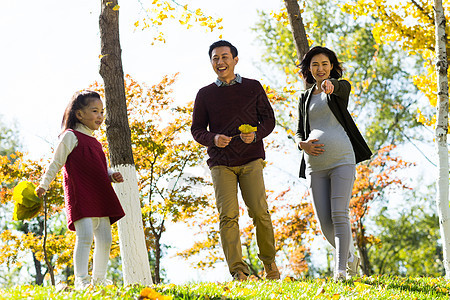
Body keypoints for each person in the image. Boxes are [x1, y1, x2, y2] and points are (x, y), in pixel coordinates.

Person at [191, 40, 280, 281]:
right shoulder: (205, 94)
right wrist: (214, 138)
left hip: (251, 159)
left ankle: (270, 265)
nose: (220, 62)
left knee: (260, 212)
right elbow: (197, 130)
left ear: (235, 60)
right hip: (221, 163)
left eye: (224, 57)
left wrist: (256, 135)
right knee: (228, 216)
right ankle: (239, 271)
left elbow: (269, 120)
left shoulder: (253, 87)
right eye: (215, 58)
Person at [296, 46, 372, 281]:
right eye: (315, 65)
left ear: (332, 67)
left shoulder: (340, 88)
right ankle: (349, 257)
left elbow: (340, 87)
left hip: (342, 159)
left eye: (325, 64)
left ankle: (340, 271)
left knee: (340, 213)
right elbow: (300, 131)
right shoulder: (304, 97)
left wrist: (332, 86)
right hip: (315, 165)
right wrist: (302, 145)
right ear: (309, 68)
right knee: (324, 222)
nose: (320, 69)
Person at [36, 90, 125, 290]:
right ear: (79, 114)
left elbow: (103, 166)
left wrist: (112, 174)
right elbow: (56, 163)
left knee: (105, 238)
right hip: (82, 194)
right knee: (84, 235)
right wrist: (43, 185)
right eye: (95, 111)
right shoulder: (70, 136)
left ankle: (99, 280)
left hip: (101, 195)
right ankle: (82, 280)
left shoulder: (95, 142)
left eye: (102, 112)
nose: (100, 116)